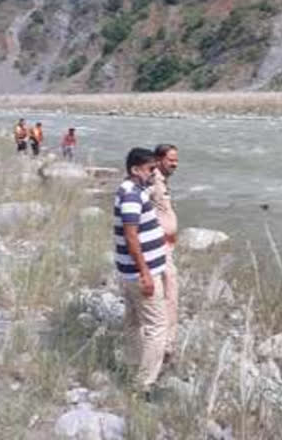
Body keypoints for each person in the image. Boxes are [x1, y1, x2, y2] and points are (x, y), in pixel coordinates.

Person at [114, 148, 167, 397]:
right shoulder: (132, 196)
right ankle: (144, 384)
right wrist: (145, 272)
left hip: (130, 272)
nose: (154, 174)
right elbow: (131, 235)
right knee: (157, 327)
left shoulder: (129, 190)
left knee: (133, 322)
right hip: (140, 274)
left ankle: (131, 367)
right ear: (135, 170)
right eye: (150, 169)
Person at [149, 144, 179, 364]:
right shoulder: (152, 180)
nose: (175, 164)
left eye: (176, 160)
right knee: (169, 296)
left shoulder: (160, 180)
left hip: (165, 247)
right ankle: (165, 347)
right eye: (171, 160)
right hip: (159, 249)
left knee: (168, 295)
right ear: (159, 160)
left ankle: (163, 345)